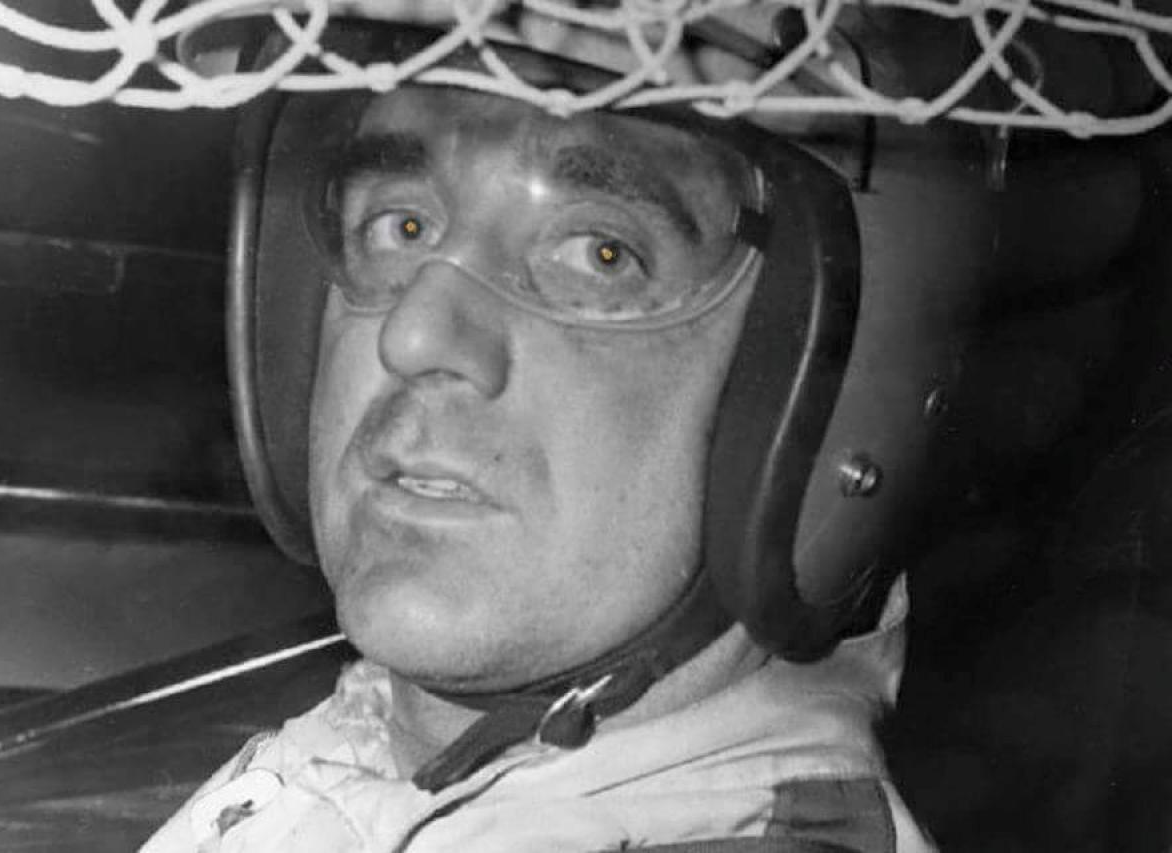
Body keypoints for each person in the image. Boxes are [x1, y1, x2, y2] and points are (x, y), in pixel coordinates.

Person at [141, 13, 936, 853]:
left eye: (600, 253)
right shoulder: (372, 763)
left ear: (823, 389)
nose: (415, 335)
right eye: (401, 226)